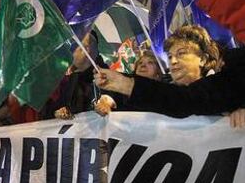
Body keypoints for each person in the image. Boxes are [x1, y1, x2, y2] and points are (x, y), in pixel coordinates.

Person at [94, 26, 245, 127]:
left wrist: (238, 108)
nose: (173, 61)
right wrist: (114, 92)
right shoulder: (163, 94)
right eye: (170, 56)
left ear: (203, 59)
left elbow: (185, 100)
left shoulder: (226, 87)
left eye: (181, 53)